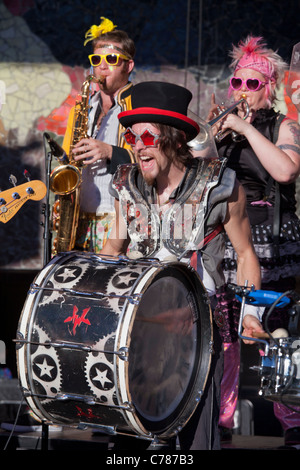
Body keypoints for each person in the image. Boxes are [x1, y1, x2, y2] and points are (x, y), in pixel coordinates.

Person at [101, 80, 263, 450]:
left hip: (198, 330)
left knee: (195, 444)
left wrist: (250, 312)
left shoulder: (219, 184)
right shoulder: (126, 185)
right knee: (131, 442)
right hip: (137, 331)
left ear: (173, 139)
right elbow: (114, 245)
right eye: (131, 138)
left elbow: (245, 253)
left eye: (147, 138)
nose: (137, 147)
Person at [208, 36, 300, 445]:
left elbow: (284, 171)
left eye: (252, 84)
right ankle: (222, 421)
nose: (242, 91)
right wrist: (212, 137)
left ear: (269, 87)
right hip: (228, 236)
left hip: (271, 237)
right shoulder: (221, 128)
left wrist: (245, 127)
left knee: (274, 333)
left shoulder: (284, 125)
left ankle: (292, 421)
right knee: (225, 334)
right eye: (237, 83)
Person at [60, 17, 136, 253]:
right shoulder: (82, 108)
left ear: (128, 66)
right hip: (79, 220)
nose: (102, 66)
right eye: (97, 60)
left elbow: (152, 162)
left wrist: (109, 151)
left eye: (111, 59)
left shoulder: (138, 107)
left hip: (118, 220)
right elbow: (66, 162)